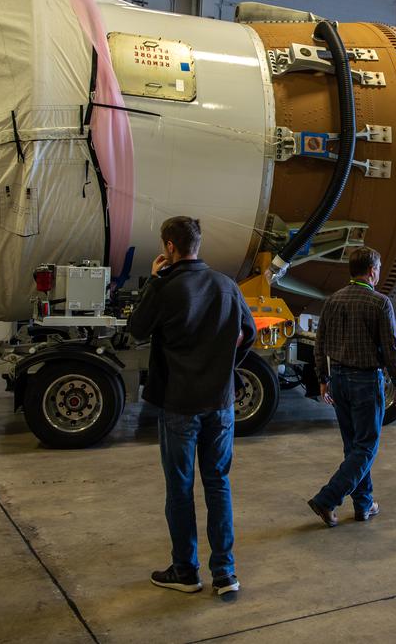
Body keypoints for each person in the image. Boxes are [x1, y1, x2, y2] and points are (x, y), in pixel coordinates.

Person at [128, 216, 256, 599]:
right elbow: (248, 332)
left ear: (169, 247)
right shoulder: (226, 285)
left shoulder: (165, 287)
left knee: (181, 489)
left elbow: (135, 328)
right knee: (218, 484)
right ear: (197, 244)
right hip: (220, 404)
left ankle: (185, 571)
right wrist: (225, 369)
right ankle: (225, 574)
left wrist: (154, 280)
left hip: (180, 405)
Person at [307, 246, 396, 527]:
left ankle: (364, 504)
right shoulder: (379, 303)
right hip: (365, 381)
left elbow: (320, 344)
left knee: (353, 446)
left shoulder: (332, 301)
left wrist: (323, 379)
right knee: (366, 447)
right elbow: (392, 348)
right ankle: (327, 498)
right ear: (372, 271)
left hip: (338, 379)